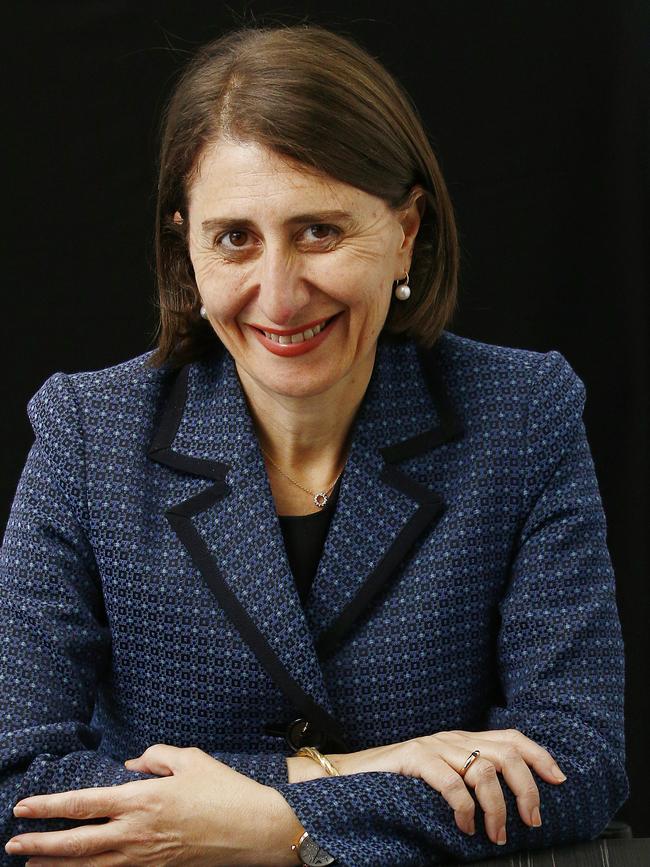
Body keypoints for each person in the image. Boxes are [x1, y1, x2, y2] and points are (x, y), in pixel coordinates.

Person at [0, 21, 628, 867]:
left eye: (320, 231)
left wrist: (282, 825)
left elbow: (577, 763)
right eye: (235, 238)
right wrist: (353, 770)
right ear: (187, 248)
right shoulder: (86, 434)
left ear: (407, 230)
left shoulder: (523, 413)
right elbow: (19, 782)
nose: (280, 293)